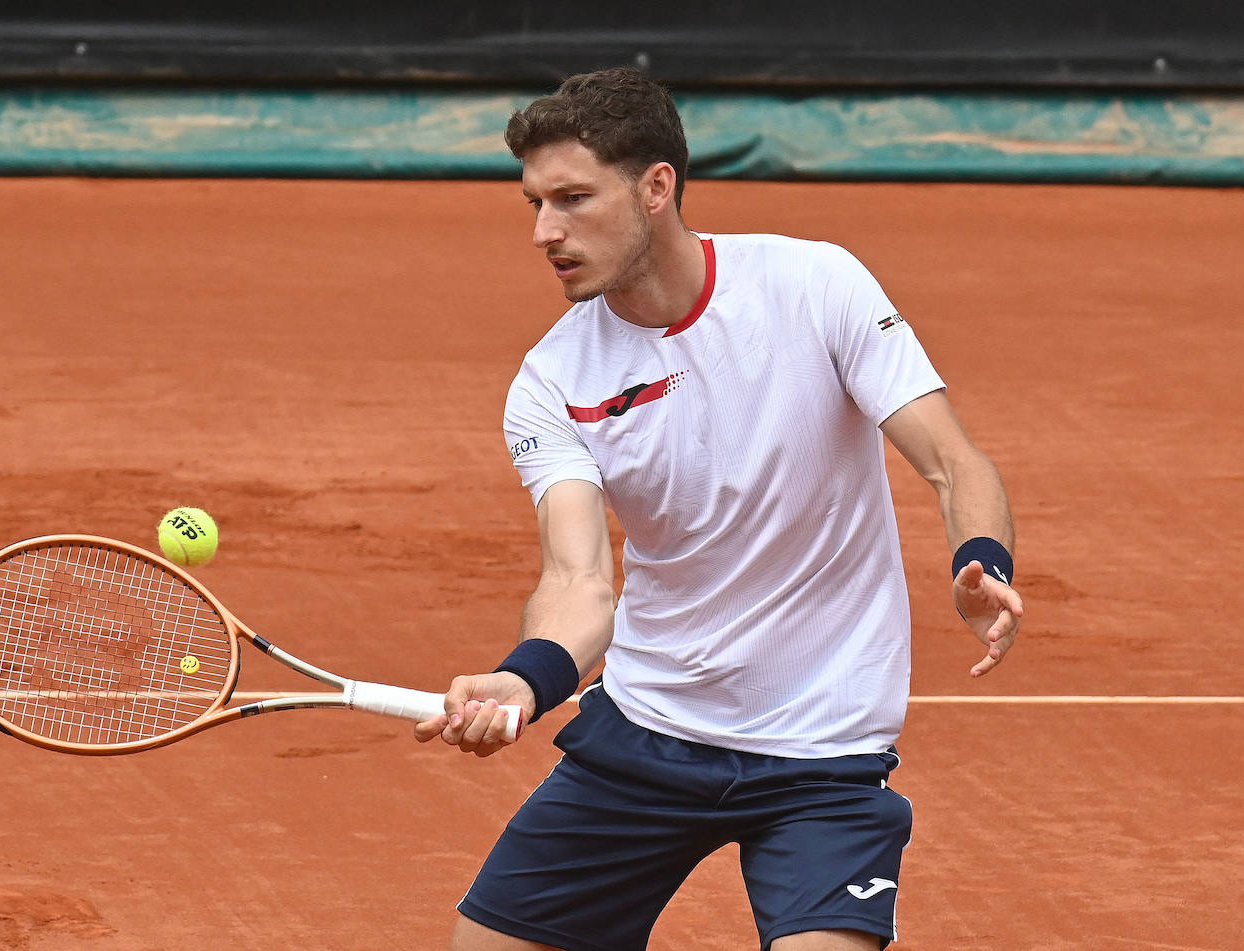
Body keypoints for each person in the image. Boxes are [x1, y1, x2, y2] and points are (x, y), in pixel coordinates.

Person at [414, 66, 1024, 951]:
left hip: (823, 746)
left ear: (656, 186)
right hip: (650, 730)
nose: (546, 231)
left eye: (574, 198)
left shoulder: (816, 285)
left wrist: (982, 560)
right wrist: (527, 677)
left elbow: (952, 461)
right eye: (534, 203)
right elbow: (580, 579)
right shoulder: (551, 380)